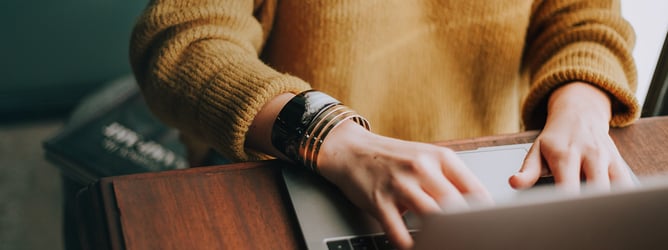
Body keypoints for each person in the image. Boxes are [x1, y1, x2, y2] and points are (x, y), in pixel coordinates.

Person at [130, 0, 639, 249]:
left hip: (482, 183)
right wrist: (332, 136)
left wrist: (583, 104)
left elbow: (585, 19)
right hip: (294, 174)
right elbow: (183, 41)